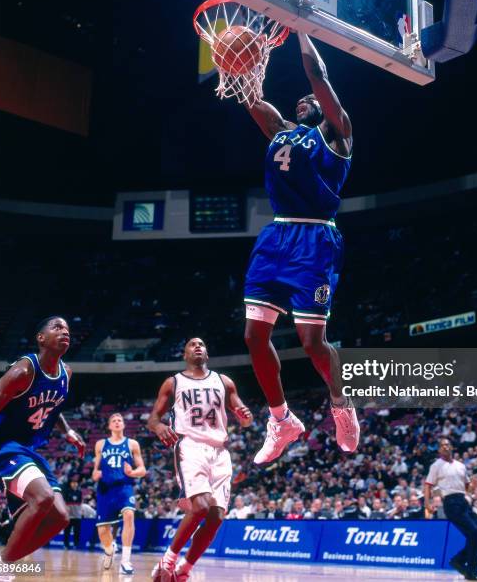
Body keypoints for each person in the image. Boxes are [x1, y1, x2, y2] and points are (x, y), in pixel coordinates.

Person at [240, 32, 359, 464]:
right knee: (254, 335)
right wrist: (235, 61)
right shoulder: (281, 132)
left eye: (310, 100)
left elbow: (317, 73)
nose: (301, 103)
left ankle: (341, 403)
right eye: (298, 103)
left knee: (312, 342)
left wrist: (299, 27)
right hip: (276, 237)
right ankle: (281, 419)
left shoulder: (337, 134)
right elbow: (250, 97)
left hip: (315, 239)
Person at [0, 316, 85, 578]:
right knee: (43, 498)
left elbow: (54, 404)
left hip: (28, 450)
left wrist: (67, 431)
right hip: (4, 446)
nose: (64, 331)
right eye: (57, 327)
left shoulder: (66, 373)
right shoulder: (24, 370)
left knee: (60, 518)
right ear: (41, 338)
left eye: (67, 328)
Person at [148, 337, 253, 582]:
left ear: (207, 353)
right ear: (185, 354)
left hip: (219, 451)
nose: (198, 346)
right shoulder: (173, 382)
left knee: (216, 517)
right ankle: (168, 560)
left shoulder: (224, 382)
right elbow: (153, 419)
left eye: (202, 344)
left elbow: (244, 417)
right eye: (192, 344)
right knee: (201, 506)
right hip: (190, 446)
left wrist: (245, 417)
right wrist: (160, 427)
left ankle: (184, 569)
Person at [424, 438, 477, 581]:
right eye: (442, 446)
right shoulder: (436, 466)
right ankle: (472, 572)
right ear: (439, 450)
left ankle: (458, 560)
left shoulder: (461, 465)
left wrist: (471, 489)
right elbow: (428, 485)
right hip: (451, 503)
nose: (445, 447)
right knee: (473, 532)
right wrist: (427, 504)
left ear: (451, 447)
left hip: (463, 501)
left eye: (447, 444)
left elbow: (467, 485)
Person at [92, 412, 146, 574]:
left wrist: (133, 473)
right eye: (114, 421)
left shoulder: (132, 444)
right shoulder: (100, 444)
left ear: (123, 424)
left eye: (119, 420)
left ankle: (126, 561)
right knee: (103, 531)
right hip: (105, 490)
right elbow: (96, 470)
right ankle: (109, 551)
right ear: (109, 426)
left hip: (124, 487)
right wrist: (95, 474)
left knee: (129, 515)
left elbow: (142, 469)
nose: (117, 422)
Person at [62, 477, 82, 549]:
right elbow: (64, 502)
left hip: (77, 516)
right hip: (69, 516)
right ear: (70, 484)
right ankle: (66, 544)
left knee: (77, 532)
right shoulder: (67, 491)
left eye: (76, 483)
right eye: (73, 483)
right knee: (67, 531)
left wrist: (80, 511)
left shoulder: (79, 492)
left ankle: (76, 544)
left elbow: (80, 503)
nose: (74, 484)